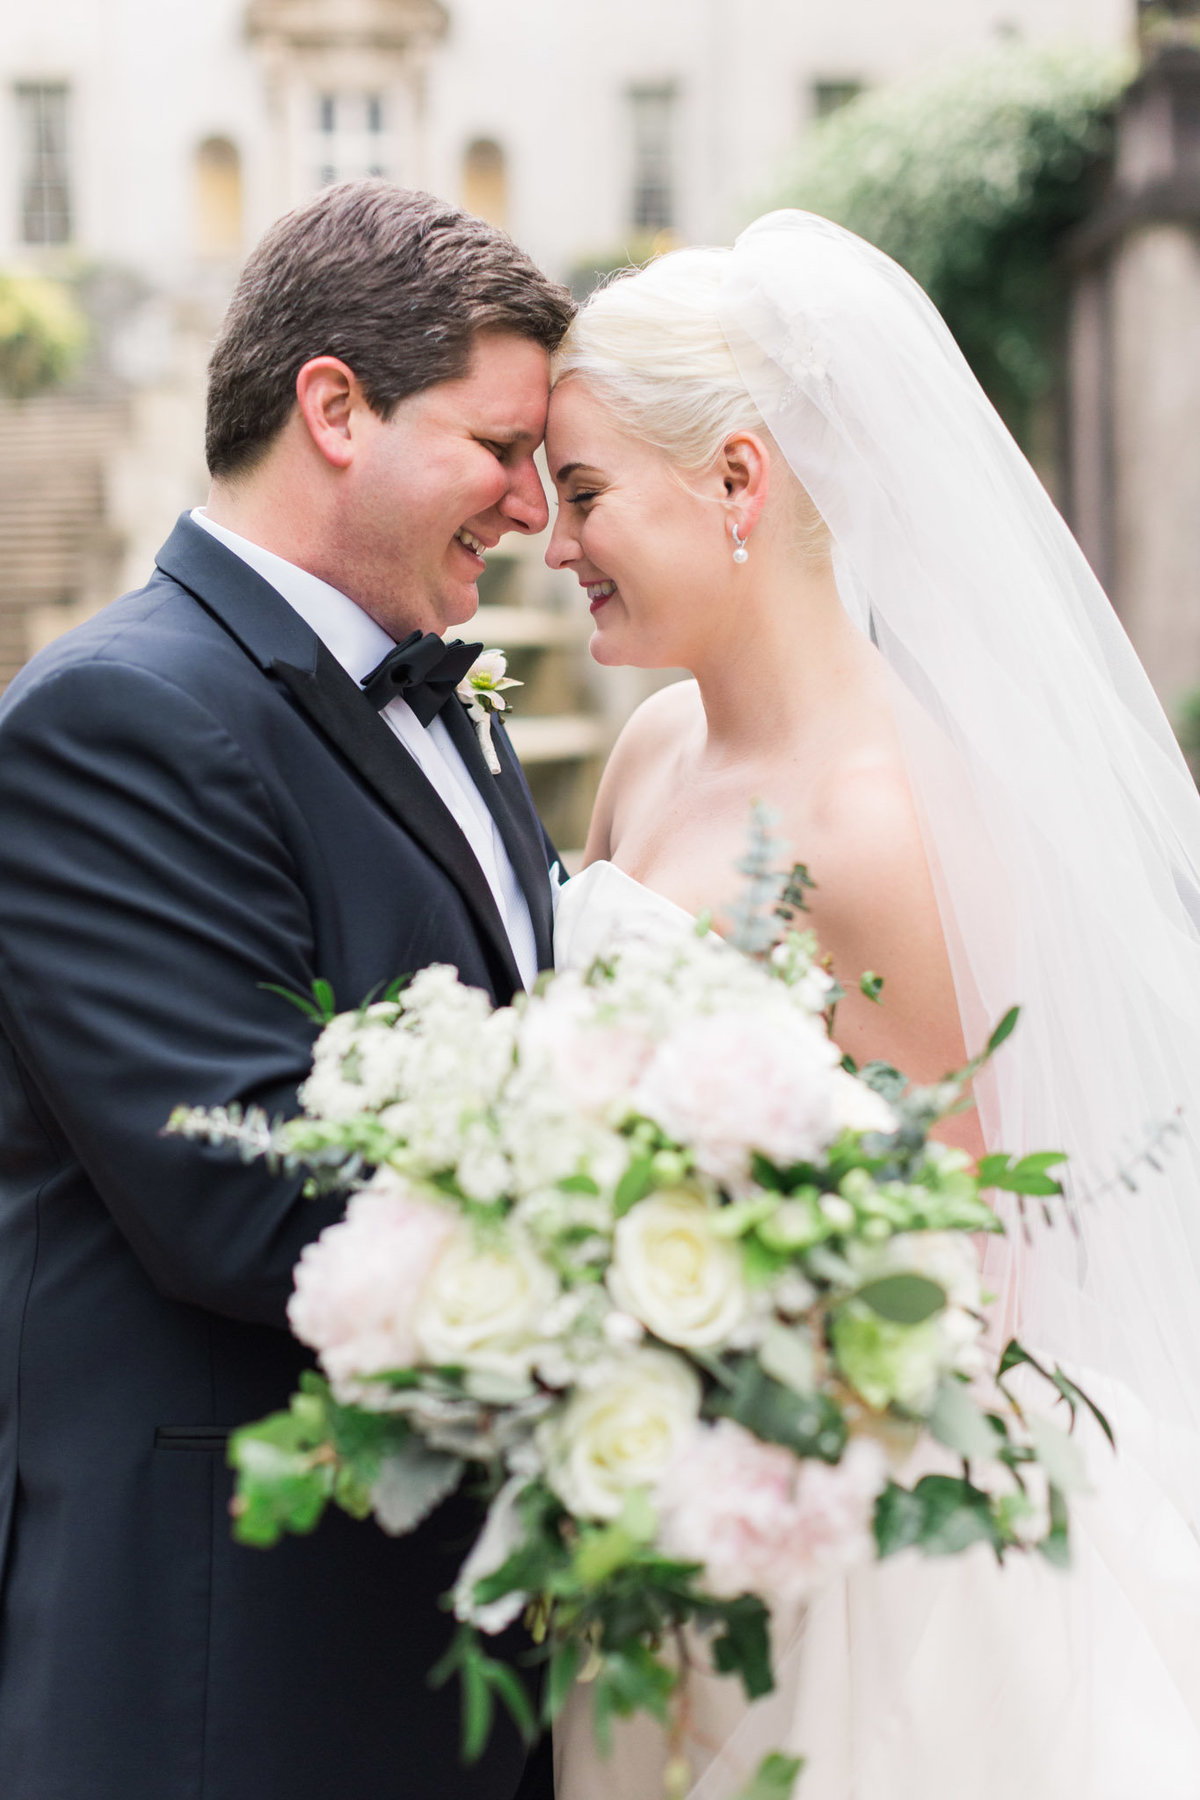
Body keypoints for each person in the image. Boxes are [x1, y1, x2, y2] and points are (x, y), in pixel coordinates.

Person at [545, 213, 1200, 1798]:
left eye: (584, 496)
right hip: (649, 1520)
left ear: (739, 483)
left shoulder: (889, 829)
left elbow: (982, 1276)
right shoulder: (646, 757)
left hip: (859, 1573)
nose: (552, 545)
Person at [0, 180, 571, 1800]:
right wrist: (669, 1271)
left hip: (434, 1629)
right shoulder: (116, 719)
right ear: (336, 407)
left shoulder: (444, 697)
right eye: (498, 447)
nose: (530, 506)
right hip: (235, 1658)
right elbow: (247, 1186)